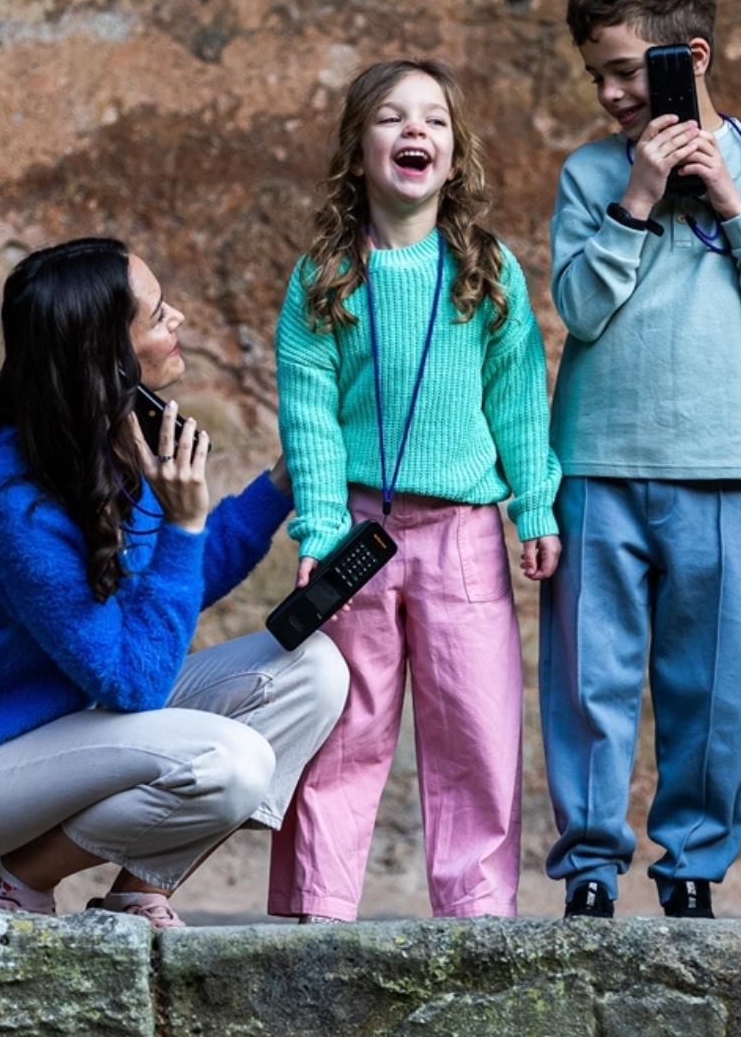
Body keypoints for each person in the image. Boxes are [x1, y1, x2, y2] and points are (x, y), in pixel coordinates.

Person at [0, 237, 349, 930]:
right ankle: (11, 878)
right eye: (160, 314)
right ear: (107, 353)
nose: (181, 323)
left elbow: (174, 589)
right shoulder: (11, 500)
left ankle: (139, 889)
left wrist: (283, 481)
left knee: (314, 670)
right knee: (230, 761)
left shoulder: (107, 434)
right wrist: (185, 527)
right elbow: (134, 681)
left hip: (79, 717)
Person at [542, 0, 741, 920]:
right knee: (592, 675)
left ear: (687, 56)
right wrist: (639, 199)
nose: (614, 94)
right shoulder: (590, 173)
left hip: (717, 460)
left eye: (626, 71)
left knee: (710, 681)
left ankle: (694, 864)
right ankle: (587, 864)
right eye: (599, 79)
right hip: (597, 459)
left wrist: (735, 206)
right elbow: (577, 311)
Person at [267, 59, 562, 923]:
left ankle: (477, 913)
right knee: (345, 731)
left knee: (475, 725)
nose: (413, 132)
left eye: (432, 120)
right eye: (392, 119)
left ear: (454, 153)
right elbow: (310, 415)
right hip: (359, 532)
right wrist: (319, 527)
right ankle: (319, 910)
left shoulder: (487, 268)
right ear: (360, 151)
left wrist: (534, 507)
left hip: (465, 535)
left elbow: (517, 400)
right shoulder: (324, 276)